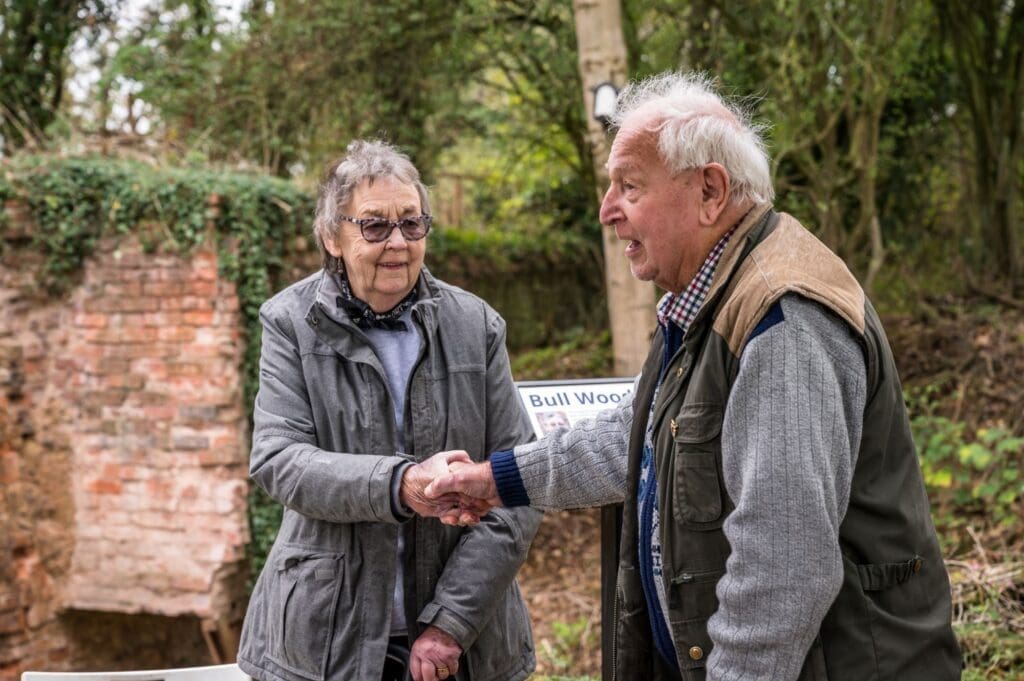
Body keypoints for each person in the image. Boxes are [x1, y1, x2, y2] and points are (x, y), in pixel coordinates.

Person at [424, 73, 963, 680]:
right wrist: (495, 480)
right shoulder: (708, 298)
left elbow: (783, 572)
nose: (606, 211)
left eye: (629, 186)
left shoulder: (782, 318)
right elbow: (638, 436)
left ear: (710, 190)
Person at [236, 139, 542, 681]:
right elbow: (279, 460)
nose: (398, 242)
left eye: (412, 223)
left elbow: (519, 483)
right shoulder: (289, 322)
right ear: (332, 237)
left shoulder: (476, 326)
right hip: (324, 640)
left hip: (466, 642)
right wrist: (400, 484)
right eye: (375, 226)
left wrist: (451, 622)